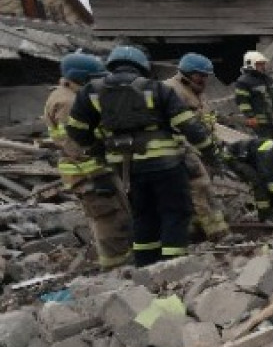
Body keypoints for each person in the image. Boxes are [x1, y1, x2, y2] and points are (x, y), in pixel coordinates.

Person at [66, 46, 219, 267]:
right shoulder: (157, 89)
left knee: (143, 214)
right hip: (166, 165)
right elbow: (188, 126)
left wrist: (100, 148)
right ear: (141, 67)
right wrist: (211, 152)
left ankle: (146, 264)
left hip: (127, 167)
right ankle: (173, 264)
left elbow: (76, 131)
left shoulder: (91, 92)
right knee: (175, 211)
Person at [45, 53, 132, 270]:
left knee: (113, 214)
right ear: (79, 77)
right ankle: (116, 266)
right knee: (108, 217)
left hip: (90, 169)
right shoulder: (68, 102)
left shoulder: (66, 95)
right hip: (88, 171)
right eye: (93, 78)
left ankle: (119, 260)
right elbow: (76, 143)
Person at [164, 53, 230, 241]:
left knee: (195, 191)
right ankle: (217, 234)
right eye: (200, 75)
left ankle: (195, 231)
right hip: (184, 148)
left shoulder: (197, 91)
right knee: (200, 189)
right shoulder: (172, 90)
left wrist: (213, 143)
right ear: (187, 73)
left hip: (201, 147)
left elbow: (206, 120)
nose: (204, 79)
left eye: (206, 75)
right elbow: (181, 125)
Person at [235, 50, 273, 142]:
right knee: (266, 146)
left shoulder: (268, 79)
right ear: (250, 64)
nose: (263, 66)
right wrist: (250, 116)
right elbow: (242, 101)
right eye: (260, 64)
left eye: (263, 64)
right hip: (261, 124)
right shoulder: (243, 82)